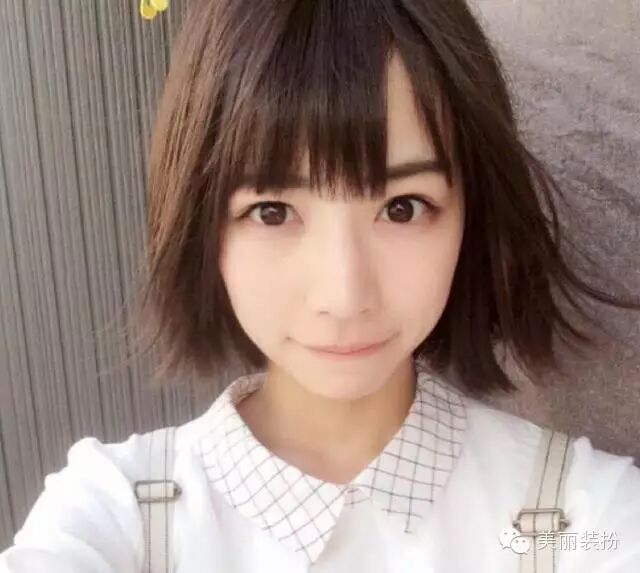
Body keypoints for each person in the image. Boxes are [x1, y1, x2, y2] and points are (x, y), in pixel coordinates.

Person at [1, 0, 639, 571]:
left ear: (471, 215)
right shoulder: (119, 514)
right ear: (201, 222)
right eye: (273, 211)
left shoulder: (579, 517)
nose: (344, 295)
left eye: (402, 208)